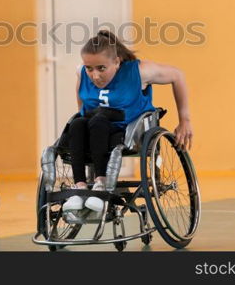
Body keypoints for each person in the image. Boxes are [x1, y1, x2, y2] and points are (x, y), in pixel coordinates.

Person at [62, 30, 193, 213]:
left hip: (125, 132)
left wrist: (184, 120)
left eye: (101, 68)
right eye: (89, 68)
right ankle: (80, 187)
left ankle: (101, 183)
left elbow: (177, 75)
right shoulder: (81, 72)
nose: (95, 75)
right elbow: (81, 102)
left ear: (116, 62)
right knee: (77, 124)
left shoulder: (139, 71)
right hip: (95, 130)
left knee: (98, 121)